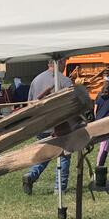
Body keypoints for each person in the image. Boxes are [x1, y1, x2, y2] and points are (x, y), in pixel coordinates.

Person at [22, 61, 74, 194]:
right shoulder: (65, 81)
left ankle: (31, 175)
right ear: (59, 62)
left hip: (41, 126)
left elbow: (30, 104)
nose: (65, 65)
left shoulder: (35, 80)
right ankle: (59, 188)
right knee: (63, 155)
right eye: (64, 62)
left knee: (46, 154)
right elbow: (72, 105)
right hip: (59, 126)